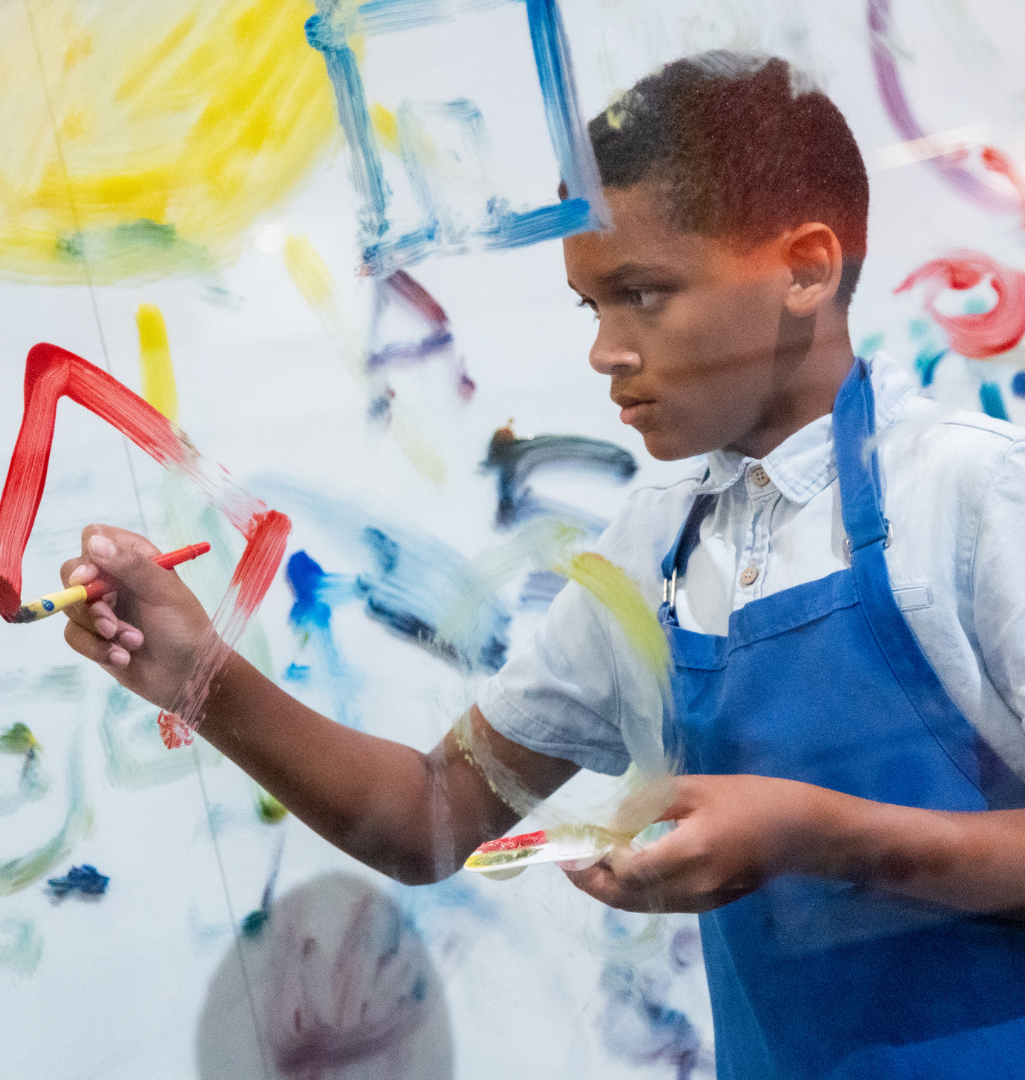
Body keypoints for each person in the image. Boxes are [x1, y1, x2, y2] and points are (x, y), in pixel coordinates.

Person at [60, 52, 1025, 1078]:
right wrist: (200, 674)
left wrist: (813, 833)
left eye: (642, 294)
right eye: (590, 307)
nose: (606, 351)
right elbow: (430, 815)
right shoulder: (655, 548)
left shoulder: (966, 491)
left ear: (805, 270)